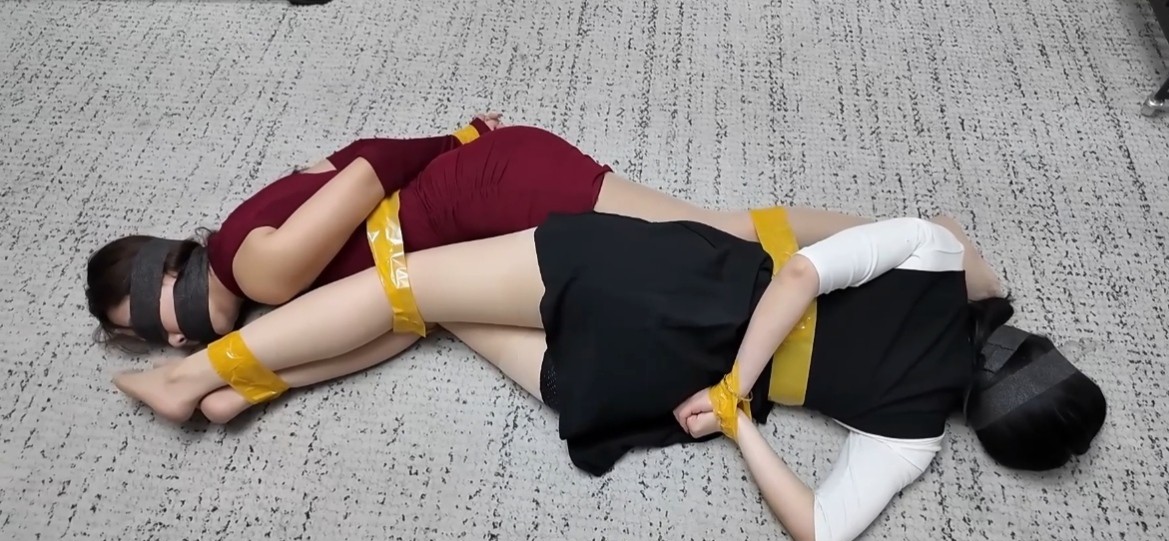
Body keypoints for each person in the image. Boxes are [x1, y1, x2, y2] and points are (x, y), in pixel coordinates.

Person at [110, 211, 1104, 541]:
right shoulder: (917, 432)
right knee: (437, 316)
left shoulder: (936, 252)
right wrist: (737, 418)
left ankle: (194, 375)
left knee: (406, 287)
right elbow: (817, 528)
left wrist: (739, 374)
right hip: (650, 381)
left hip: (668, 284)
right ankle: (254, 390)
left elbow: (800, 274)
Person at [86, 115, 1001, 353]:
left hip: (489, 193)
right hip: (483, 197)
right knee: (705, 240)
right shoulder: (246, 236)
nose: (175, 335)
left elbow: (366, 165)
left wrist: (459, 142)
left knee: (711, 238)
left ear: (170, 267)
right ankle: (918, 249)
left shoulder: (256, 266)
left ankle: (930, 243)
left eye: (155, 317)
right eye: (152, 339)